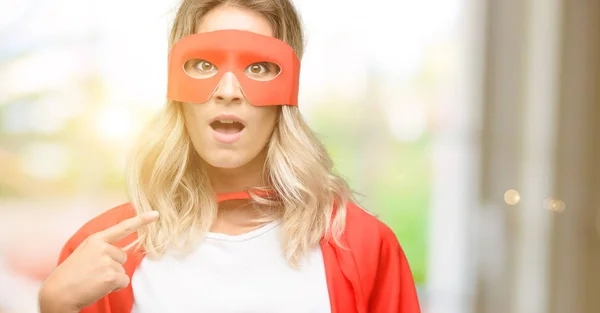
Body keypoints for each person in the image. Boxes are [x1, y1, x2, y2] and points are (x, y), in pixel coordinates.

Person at [38, 0, 421, 312]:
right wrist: (55, 308)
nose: (228, 90)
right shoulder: (106, 254)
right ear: (176, 85)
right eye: (203, 65)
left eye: (258, 67)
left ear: (289, 89)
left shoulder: (364, 246)